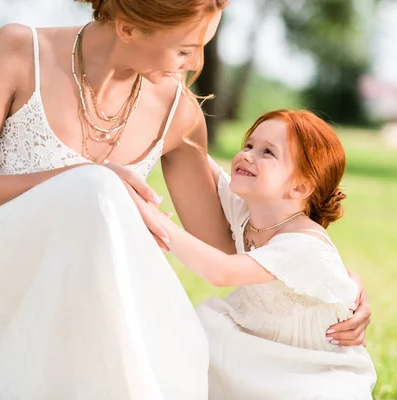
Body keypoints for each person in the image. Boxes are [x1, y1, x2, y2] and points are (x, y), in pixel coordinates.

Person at [0, 1, 371, 398]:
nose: (196, 65)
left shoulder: (177, 112)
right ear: (129, 28)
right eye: (186, 49)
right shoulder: (19, 50)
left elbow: (231, 249)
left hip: (62, 317)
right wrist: (83, 176)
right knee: (95, 188)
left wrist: (328, 282)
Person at [145, 110, 377, 399]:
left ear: (300, 186)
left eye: (268, 152)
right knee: (201, 338)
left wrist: (150, 215)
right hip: (259, 350)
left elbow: (222, 272)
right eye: (249, 145)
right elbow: (191, 149)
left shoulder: (304, 244)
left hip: (312, 369)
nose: (247, 156)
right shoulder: (249, 210)